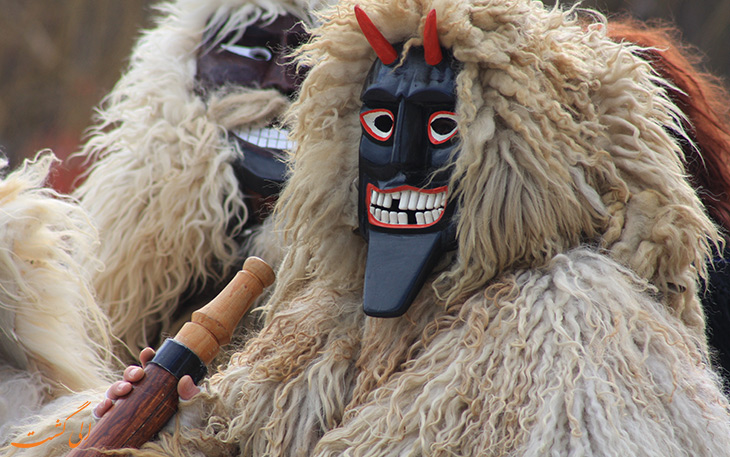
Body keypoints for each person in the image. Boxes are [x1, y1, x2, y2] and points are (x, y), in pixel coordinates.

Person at [14, 0, 730, 455]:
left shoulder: (578, 331)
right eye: (381, 125)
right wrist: (177, 425)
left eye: (443, 127)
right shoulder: (326, 315)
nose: (401, 163)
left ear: (519, 150)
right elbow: (246, 436)